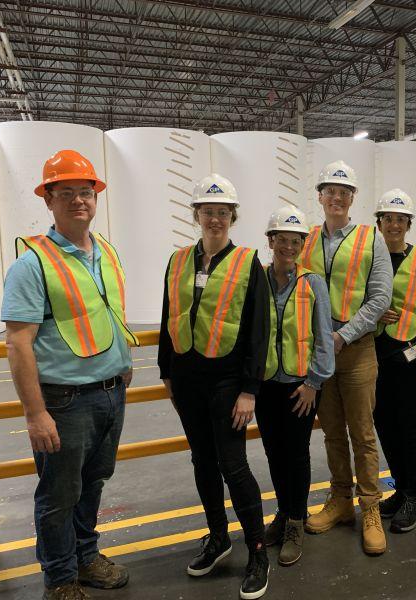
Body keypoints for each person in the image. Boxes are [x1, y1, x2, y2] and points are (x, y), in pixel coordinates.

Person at [2, 149, 136, 600]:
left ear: (95, 197)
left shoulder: (107, 252)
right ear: (48, 200)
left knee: (93, 482)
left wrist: (122, 366)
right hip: (64, 400)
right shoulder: (32, 263)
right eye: (66, 193)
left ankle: (85, 556)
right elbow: (18, 342)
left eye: (86, 192)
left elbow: (107, 314)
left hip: (111, 392)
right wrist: (34, 412)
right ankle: (60, 578)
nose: (79, 201)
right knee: (59, 494)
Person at [157, 174, 270, 599]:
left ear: (232, 217)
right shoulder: (178, 260)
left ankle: (257, 552)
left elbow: (259, 331)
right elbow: (169, 312)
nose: (215, 219)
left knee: (233, 465)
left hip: (228, 381)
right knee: (202, 462)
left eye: (222, 212)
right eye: (208, 212)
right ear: (196, 215)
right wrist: (166, 369)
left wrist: (249, 389)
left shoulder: (248, 263)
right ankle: (218, 538)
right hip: (187, 378)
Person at [300, 160, 393, 556]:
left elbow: (380, 299)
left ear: (352, 198)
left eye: (344, 192)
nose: (336, 198)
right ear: (320, 196)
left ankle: (369, 507)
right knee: (333, 431)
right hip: (317, 355)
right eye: (330, 191)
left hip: (356, 352)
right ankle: (340, 501)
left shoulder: (371, 240)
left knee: (362, 433)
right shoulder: (304, 240)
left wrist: (343, 335)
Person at [257, 206, 334, 567]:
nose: (288, 246)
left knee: (296, 453)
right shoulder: (257, 280)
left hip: (300, 387)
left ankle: (295, 521)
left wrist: (314, 383)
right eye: (282, 240)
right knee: (274, 453)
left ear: (303, 244)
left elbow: (323, 338)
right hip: (267, 385)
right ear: (271, 241)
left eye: (295, 241)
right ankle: (284, 511)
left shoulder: (313, 282)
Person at [372, 189, 416, 533]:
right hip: (374, 357)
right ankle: (401, 488)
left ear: (409, 224)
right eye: (389, 218)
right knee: (385, 425)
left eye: (401, 219)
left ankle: (415, 494)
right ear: (380, 223)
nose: (395, 225)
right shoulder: (369, 258)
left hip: (412, 358)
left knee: (410, 427)